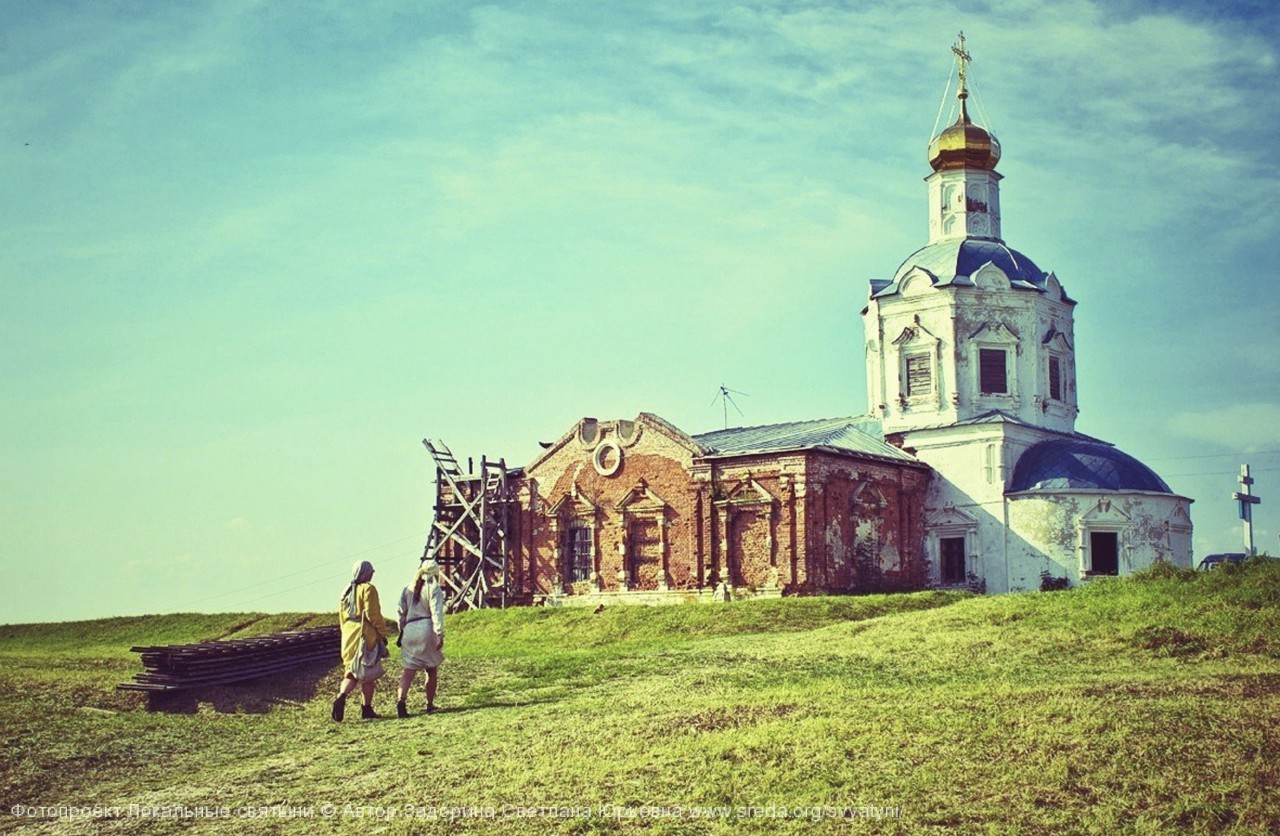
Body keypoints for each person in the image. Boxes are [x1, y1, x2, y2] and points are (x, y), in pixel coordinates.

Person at [332, 559, 390, 722]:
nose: (372, 574)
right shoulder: (368, 589)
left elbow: (341, 617)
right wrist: (382, 633)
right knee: (368, 672)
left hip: (349, 634)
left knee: (351, 670)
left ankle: (342, 696)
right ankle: (366, 708)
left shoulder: (346, 591)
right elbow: (373, 614)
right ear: (366, 573)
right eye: (371, 571)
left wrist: (346, 633)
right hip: (364, 633)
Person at [396, 560, 445, 717]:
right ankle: (429, 704)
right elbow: (436, 611)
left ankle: (401, 701)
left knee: (408, 671)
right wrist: (439, 633)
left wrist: (401, 631)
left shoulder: (407, 587)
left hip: (409, 629)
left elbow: (400, 612)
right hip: (426, 628)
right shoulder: (433, 587)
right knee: (431, 670)